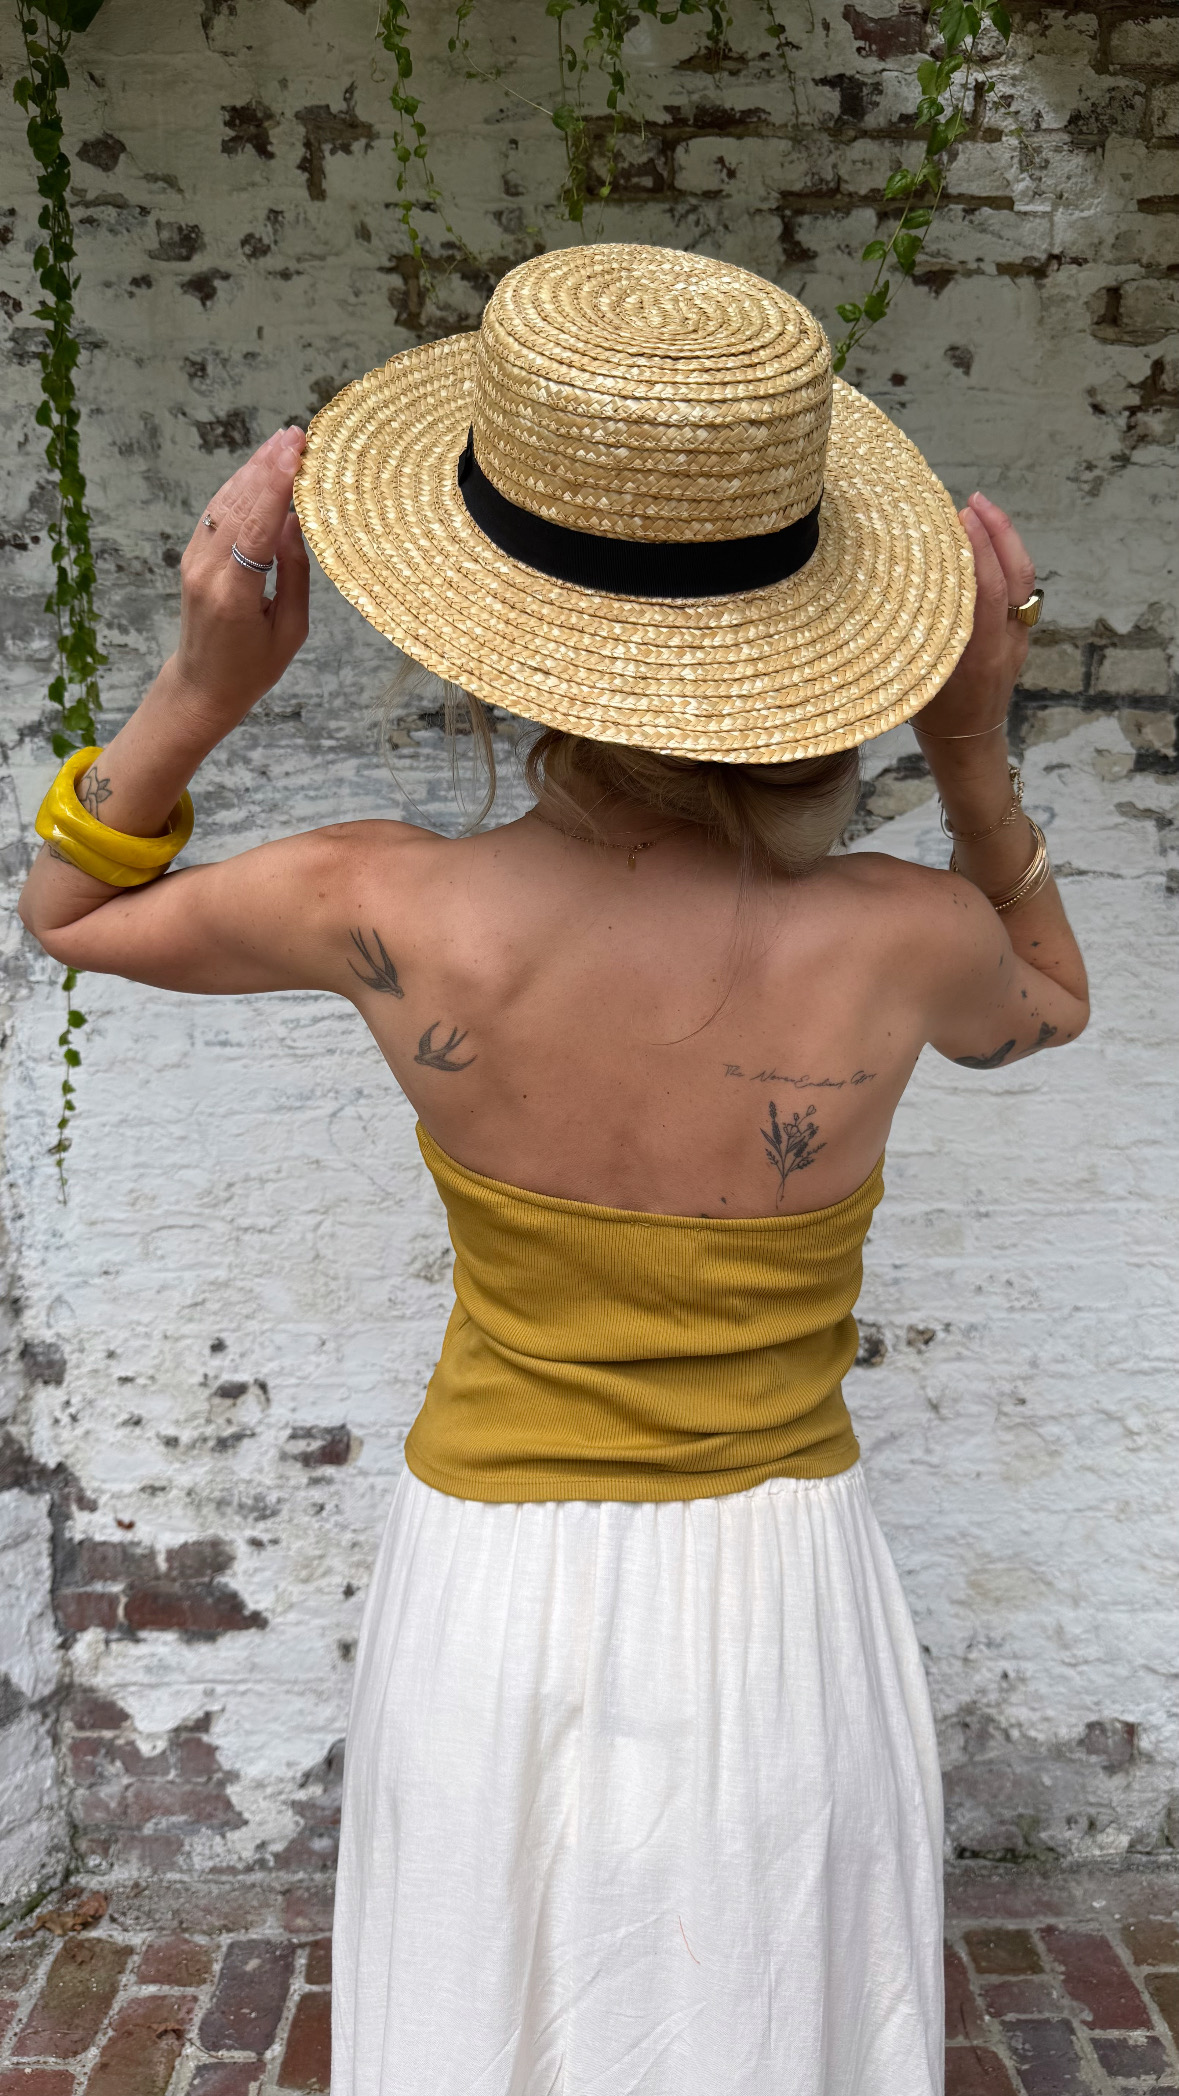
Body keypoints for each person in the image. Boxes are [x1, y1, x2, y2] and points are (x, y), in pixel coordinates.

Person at [21, 244, 1088, 2096]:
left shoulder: (379, 901)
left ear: (505, 636)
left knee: (496, 2020)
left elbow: (70, 912)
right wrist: (973, 746)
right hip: (780, 1601)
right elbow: (1051, 999)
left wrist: (203, 681)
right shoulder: (908, 937)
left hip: (490, 1598)